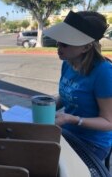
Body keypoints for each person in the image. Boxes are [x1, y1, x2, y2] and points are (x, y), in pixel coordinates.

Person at [43, 10, 112, 161]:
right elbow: (67, 94)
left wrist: (73, 119)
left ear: (86, 47)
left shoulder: (104, 72)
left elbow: (108, 122)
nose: (58, 47)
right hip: (67, 132)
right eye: (58, 41)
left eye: (65, 44)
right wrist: (47, 105)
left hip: (93, 143)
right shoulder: (68, 63)